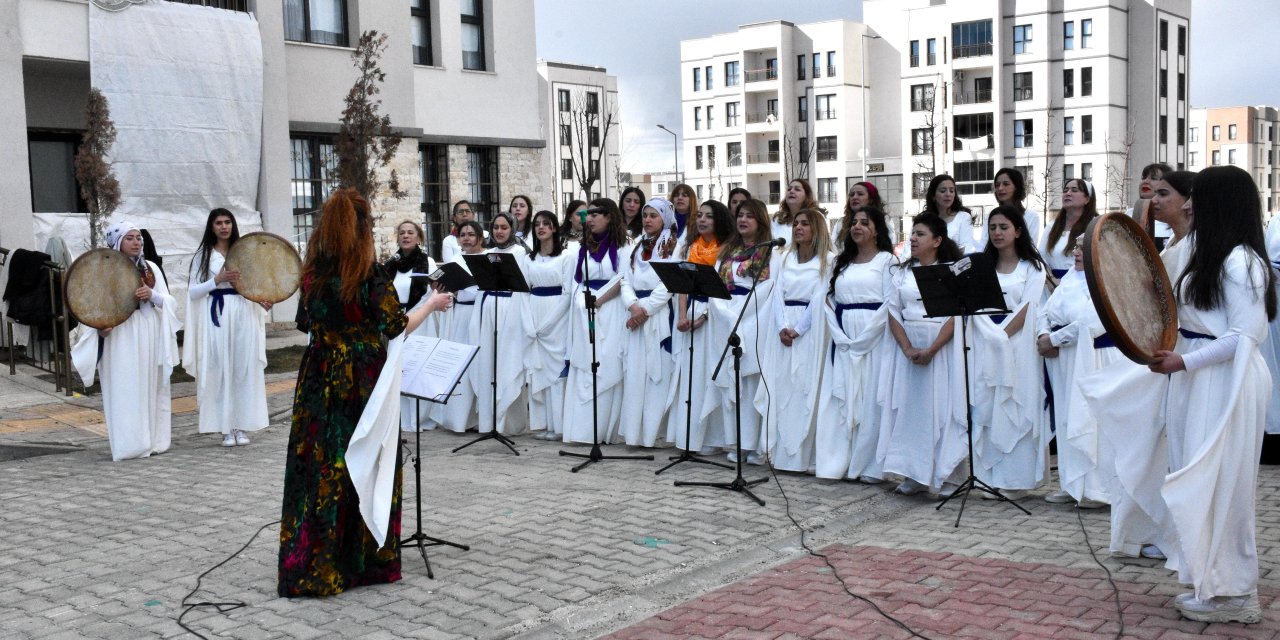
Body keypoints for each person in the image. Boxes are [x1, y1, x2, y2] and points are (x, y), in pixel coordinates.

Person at [1110, 166, 1273, 622]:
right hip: (1199, 378)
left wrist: (1185, 361)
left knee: (1223, 485)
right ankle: (1213, 584)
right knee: (1199, 480)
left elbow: (1245, 336)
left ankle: (1237, 595)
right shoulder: (1211, 256)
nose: (1186, 204)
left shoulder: (1242, 262)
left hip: (1226, 381)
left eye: (1195, 197)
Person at [278, 188, 448, 598]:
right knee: (366, 462)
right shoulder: (368, 274)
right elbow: (394, 326)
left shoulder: (312, 274)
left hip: (319, 377)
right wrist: (430, 304)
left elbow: (305, 322)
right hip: (362, 380)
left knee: (321, 464)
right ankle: (362, 562)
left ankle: (315, 561)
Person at [71, 222, 180, 461]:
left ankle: (154, 440)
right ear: (118, 242)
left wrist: (152, 295)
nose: (136, 242)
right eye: (129, 238)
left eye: (138, 238)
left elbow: (169, 303)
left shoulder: (150, 268)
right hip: (120, 335)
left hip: (149, 330)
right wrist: (99, 329)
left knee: (151, 384)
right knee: (126, 387)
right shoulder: (104, 269)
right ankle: (130, 444)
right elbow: (91, 307)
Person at [880, 214, 967, 496]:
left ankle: (949, 476)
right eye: (912, 233)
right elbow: (893, 312)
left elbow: (957, 315)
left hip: (941, 347)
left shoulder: (951, 271)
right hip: (910, 347)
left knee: (943, 408)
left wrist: (932, 349)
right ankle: (914, 473)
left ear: (937, 241)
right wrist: (907, 347)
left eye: (920, 234)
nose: (913, 239)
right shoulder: (903, 273)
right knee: (912, 412)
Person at [970, 206, 1051, 500]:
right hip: (984, 341)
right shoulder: (981, 267)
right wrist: (990, 335)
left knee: (1015, 405)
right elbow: (974, 304)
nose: (997, 233)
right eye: (992, 227)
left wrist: (1001, 335)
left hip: (1017, 346)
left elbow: (1028, 307)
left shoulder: (1033, 268)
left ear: (1018, 230)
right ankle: (990, 476)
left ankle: (1016, 480)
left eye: (1004, 227)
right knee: (988, 406)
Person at [1037, 235, 1118, 509]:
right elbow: (1046, 311)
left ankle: (1096, 488)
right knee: (1066, 419)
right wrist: (1043, 333)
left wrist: (1055, 340)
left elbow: (1092, 321)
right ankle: (1071, 484)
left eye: (1084, 247)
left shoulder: (1108, 281)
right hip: (1064, 358)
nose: (1077, 252)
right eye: (1076, 247)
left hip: (1092, 357)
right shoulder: (1072, 277)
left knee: (1090, 419)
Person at [815, 207, 896, 482]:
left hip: (873, 339)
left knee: (870, 399)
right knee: (841, 398)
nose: (858, 226)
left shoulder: (887, 262)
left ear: (877, 230)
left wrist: (864, 339)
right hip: (844, 338)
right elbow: (828, 300)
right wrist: (841, 336)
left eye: (865, 222)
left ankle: (869, 465)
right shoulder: (842, 262)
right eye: (854, 222)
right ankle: (839, 461)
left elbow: (890, 303)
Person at [184, 208, 269, 447]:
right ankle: (224, 427)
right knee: (220, 367)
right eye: (219, 223)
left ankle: (240, 425)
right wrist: (217, 281)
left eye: (228, 222)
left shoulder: (243, 252)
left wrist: (262, 300)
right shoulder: (204, 255)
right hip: (218, 314)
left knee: (242, 366)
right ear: (212, 227)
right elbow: (192, 292)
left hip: (243, 311)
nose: (224, 227)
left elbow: (252, 284)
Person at [703, 199, 780, 461]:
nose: (743, 220)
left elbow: (769, 288)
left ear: (760, 221)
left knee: (749, 381)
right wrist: (725, 313)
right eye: (740, 216)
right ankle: (735, 442)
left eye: (750, 216)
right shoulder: (727, 252)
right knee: (730, 383)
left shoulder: (771, 252)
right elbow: (715, 284)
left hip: (754, 318)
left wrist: (741, 315)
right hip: (725, 316)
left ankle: (753, 443)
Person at [756, 208, 832, 472]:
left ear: (817, 229)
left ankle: (803, 457)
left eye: (805, 224)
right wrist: (781, 326)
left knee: (805, 388)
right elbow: (777, 293)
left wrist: (798, 329)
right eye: (796, 223)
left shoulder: (828, 260)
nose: (798, 227)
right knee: (783, 388)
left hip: (809, 330)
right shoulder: (786, 258)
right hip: (783, 327)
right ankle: (782, 454)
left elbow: (820, 297)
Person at [562, 198, 632, 445]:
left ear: (609, 216)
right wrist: (581, 301)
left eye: (594, 214)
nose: (588, 219)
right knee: (585, 366)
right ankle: (582, 430)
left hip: (610, 310)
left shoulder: (624, 247)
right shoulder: (584, 247)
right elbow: (577, 280)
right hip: (584, 312)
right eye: (587, 215)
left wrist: (599, 300)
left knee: (606, 366)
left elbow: (623, 278)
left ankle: (604, 430)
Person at [670, 199, 734, 454]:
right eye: (700, 216)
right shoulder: (692, 247)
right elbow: (683, 285)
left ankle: (712, 437)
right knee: (691, 375)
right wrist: (683, 315)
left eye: (709, 216)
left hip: (713, 316)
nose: (703, 220)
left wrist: (702, 318)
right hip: (691, 313)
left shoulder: (726, 250)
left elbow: (723, 290)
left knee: (709, 372)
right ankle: (691, 436)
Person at [618, 197, 679, 447]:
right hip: (635, 313)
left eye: (654, 215)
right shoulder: (636, 246)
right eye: (645, 215)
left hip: (658, 315)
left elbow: (670, 283)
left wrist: (645, 310)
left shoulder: (674, 246)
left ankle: (652, 435)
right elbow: (624, 280)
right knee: (634, 375)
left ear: (664, 218)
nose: (648, 220)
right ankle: (633, 434)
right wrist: (633, 306)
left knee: (656, 376)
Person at [472, 212, 530, 436]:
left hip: (509, 311)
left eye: (504, 227)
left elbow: (523, 288)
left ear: (512, 229)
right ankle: (488, 422)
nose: (499, 231)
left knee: (507, 363)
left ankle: (508, 423)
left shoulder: (520, 253)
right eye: (495, 227)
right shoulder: (488, 253)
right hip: (488, 310)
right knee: (488, 364)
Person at [431, 221, 485, 432]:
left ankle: (480, 418)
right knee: (460, 364)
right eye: (462, 234)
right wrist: (440, 285)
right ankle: (459, 419)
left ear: (480, 237)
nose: (466, 238)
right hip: (460, 314)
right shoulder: (455, 259)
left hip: (480, 313)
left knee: (479, 363)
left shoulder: (487, 257)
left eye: (471, 234)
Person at [385, 220, 439, 431]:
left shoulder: (429, 262)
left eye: (410, 233)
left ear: (419, 238)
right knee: (399, 370)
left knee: (419, 368)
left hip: (420, 318)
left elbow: (439, 288)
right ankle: (401, 418)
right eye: (402, 233)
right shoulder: (390, 265)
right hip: (398, 321)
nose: (406, 236)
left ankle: (420, 418)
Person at [524, 210, 573, 440]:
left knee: (555, 371)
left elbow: (567, 292)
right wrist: (530, 322)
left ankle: (560, 425)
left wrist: (548, 323)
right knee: (538, 370)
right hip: (534, 312)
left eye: (546, 224)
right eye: (537, 225)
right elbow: (524, 290)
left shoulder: (565, 257)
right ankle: (542, 424)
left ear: (554, 228)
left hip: (556, 318)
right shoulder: (529, 259)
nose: (541, 228)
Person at [1039, 179, 1098, 281]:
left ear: (1087, 199)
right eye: (1065, 190)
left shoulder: (1094, 226)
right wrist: (1052, 280)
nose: (1068, 193)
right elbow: (1041, 258)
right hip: (1051, 286)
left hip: (1083, 286)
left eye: (1074, 190)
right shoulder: (1052, 226)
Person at [978, 168, 1041, 250]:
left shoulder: (1031, 216)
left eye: (1006, 184)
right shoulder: (991, 216)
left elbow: (1030, 247)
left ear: (1017, 187)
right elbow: (983, 246)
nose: (1000, 188)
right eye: (997, 185)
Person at [922, 174, 976, 253]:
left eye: (951, 191)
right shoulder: (923, 219)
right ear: (933, 196)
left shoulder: (964, 217)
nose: (948, 194)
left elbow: (967, 248)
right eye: (943, 191)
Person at [1130, 162, 1174, 250]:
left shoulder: (1172, 219)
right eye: (1143, 178)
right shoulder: (1129, 213)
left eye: (1153, 178)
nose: (1145, 181)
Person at [836, 181, 890, 249]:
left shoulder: (885, 220)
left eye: (860, 194)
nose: (854, 197)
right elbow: (835, 248)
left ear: (871, 199)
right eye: (851, 195)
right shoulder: (841, 222)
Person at [774, 179, 820, 248]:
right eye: (789, 189)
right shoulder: (777, 219)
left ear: (806, 196)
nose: (791, 191)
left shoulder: (816, 217)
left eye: (797, 189)